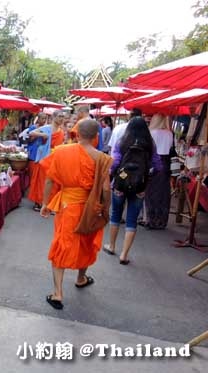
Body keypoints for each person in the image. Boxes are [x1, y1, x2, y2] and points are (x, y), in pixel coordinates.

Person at [40, 119, 112, 310]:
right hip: (90, 209)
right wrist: (104, 210)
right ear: (96, 137)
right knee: (86, 243)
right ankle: (81, 278)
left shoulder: (62, 151)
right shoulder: (101, 158)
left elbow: (49, 180)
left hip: (67, 206)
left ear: (77, 134)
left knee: (61, 246)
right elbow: (106, 189)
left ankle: (57, 293)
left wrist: (45, 203)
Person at [103, 117, 162, 264]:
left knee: (116, 215)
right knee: (132, 220)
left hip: (120, 184)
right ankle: (124, 254)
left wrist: (111, 175)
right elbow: (158, 166)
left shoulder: (123, 142)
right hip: (140, 186)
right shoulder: (150, 145)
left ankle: (111, 246)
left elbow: (115, 162)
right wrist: (147, 175)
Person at [27, 111, 65, 210]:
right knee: (41, 182)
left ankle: (49, 204)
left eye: (63, 117)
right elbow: (31, 133)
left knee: (53, 183)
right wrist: (42, 135)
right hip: (44, 158)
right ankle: (38, 203)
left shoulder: (61, 131)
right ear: (54, 117)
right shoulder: (47, 128)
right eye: (60, 116)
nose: (62, 119)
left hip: (55, 158)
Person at [144, 114, 174, 229]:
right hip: (166, 164)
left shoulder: (152, 133)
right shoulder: (169, 133)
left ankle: (152, 220)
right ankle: (161, 220)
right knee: (163, 194)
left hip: (154, 163)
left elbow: (149, 150)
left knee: (151, 193)